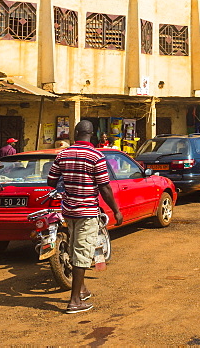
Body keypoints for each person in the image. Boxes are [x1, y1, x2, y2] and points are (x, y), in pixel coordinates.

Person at [46, 119, 123, 314]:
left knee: (74, 249)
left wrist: (69, 185)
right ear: (92, 134)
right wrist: (116, 210)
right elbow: (105, 187)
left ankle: (81, 288)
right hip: (87, 211)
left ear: (76, 132)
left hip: (68, 210)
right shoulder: (96, 156)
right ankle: (74, 301)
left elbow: (51, 180)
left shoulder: (63, 154)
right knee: (82, 253)